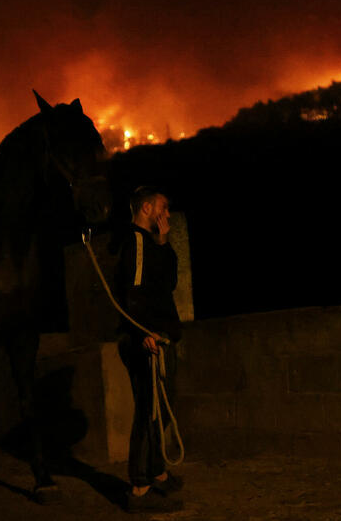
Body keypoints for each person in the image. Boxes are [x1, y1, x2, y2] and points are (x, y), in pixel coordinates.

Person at [115, 186, 185, 513]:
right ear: (146, 208)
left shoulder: (150, 242)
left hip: (158, 336)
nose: (167, 214)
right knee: (147, 408)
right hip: (145, 339)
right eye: (163, 208)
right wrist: (141, 331)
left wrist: (164, 240)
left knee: (160, 406)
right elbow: (132, 292)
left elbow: (167, 282)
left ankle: (157, 470)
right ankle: (139, 486)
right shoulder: (135, 242)